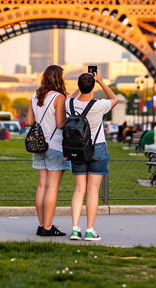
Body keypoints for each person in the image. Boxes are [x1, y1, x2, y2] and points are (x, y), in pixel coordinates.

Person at [65, 70, 119, 241]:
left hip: (77, 149)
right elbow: (114, 99)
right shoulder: (99, 105)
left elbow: (69, 98)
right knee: (93, 191)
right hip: (98, 148)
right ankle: (89, 230)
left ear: (79, 86)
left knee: (79, 190)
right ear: (93, 87)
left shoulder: (69, 104)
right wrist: (101, 82)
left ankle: (75, 229)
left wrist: (78, 88)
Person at [27, 65, 69, 237]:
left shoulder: (35, 96)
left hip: (39, 145)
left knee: (41, 186)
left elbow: (29, 121)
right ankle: (48, 227)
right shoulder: (59, 97)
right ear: (59, 78)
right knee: (52, 187)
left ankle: (41, 224)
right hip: (55, 146)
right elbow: (60, 124)